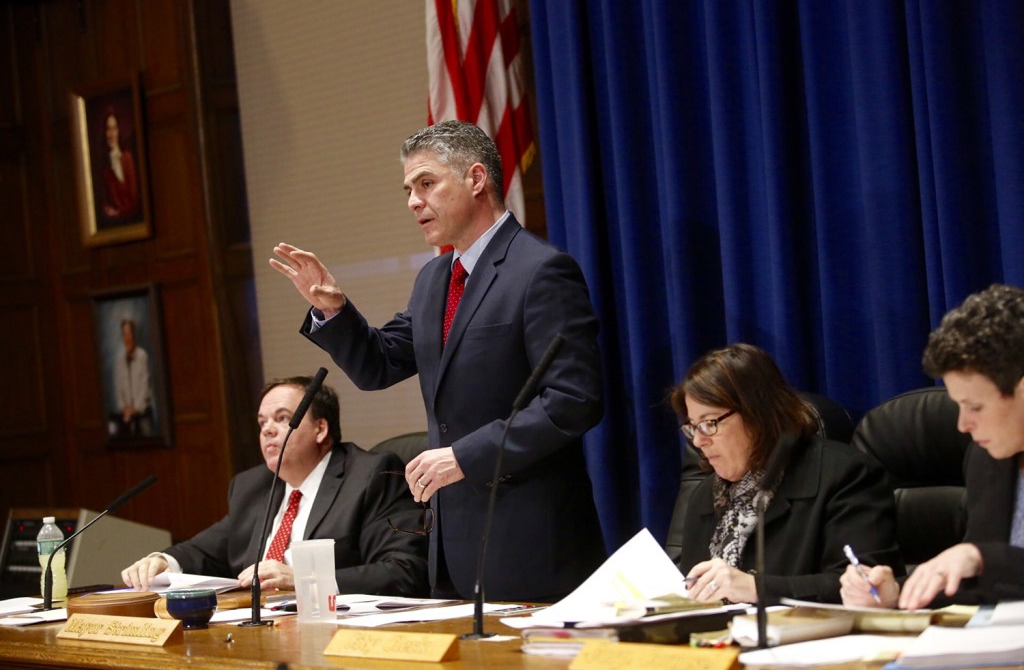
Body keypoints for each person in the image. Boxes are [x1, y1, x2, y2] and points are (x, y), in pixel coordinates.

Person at [269, 120, 606, 602]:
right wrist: (333, 311)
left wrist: (463, 457)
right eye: (408, 188)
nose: (412, 201)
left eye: (426, 183)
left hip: (530, 541)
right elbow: (378, 366)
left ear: (475, 179)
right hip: (450, 549)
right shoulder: (434, 279)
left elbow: (574, 400)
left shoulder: (541, 271)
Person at [121, 376, 429, 596]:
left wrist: (305, 579)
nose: (267, 430)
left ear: (320, 429)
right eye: (262, 422)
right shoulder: (252, 486)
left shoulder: (369, 475)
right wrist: (163, 561)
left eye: (282, 419)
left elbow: (404, 570)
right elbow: (206, 549)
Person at [671, 343, 903, 604]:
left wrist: (755, 587)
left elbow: (866, 589)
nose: (699, 441)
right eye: (693, 427)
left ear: (758, 415)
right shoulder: (704, 497)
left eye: (709, 423)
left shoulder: (846, 475)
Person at [841, 283, 1024, 609]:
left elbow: (987, 562)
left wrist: (982, 558)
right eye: (959, 406)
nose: (962, 425)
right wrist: (898, 592)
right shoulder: (988, 458)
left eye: (975, 407)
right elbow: (981, 581)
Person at [112, 318, 153, 438]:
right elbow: (118, 387)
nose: (127, 337)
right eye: (124, 334)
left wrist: (135, 409)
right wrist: (124, 408)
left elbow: (145, 386)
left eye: (129, 333)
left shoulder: (142, 356)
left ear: (134, 334)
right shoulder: (120, 360)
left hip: (142, 412)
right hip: (127, 415)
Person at [98, 107, 141, 224]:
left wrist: (119, 212)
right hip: (116, 223)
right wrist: (109, 211)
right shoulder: (105, 168)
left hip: (134, 220)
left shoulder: (127, 158)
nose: (111, 134)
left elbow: (135, 199)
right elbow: (104, 203)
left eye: (114, 128)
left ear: (118, 131)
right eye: (108, 129)